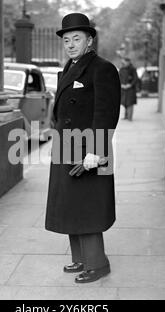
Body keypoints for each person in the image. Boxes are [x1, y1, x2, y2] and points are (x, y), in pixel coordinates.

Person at [45, 13, 121, 284]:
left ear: (90, 40)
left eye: (76, 38)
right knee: (70, 206)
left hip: (88, 150)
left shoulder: (102, 68)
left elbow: (106, 113)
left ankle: (98, 264)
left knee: (87, 207)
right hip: (66, 149)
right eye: (66, 39)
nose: (70, 44)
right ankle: (80, 259)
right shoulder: (69, 67)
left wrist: (96, 154)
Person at [119, 57, 138, 121]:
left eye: (125, 62)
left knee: (130, 103)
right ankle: (126, 116)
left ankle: (130, 117)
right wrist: (121, 85)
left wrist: (130, 85)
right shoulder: (121, 69)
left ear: (128, 62)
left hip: (130, 89)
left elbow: (135, 78)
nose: (123, 63)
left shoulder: (132, 69)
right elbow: (118, 78)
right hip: (123, 88)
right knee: (124, 103)